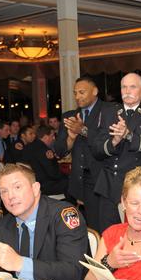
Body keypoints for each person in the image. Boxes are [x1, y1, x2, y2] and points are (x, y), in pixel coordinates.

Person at [0, 163, 88, 280]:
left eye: (17, 187)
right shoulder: (0, 227)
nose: (10, 196)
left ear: (35, 189)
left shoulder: (62, 215)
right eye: (4, 191)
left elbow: (72, 272)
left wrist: (21, 264)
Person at [92, 73, 141, 232]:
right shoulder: (109, 112)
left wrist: (128, 135)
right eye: (124, 87)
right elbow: (97, 149)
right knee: (109, 235)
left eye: (132, 87)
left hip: (139, 187)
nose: (127, 91)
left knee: (138, 235)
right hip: (110, 185)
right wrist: (114, 141)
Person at [54, 77, 111, 232]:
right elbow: (59, 151)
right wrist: (71, 138)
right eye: (75, 93)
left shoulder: (108, 111)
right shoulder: (69, 116)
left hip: (103, 179)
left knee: (104, 227)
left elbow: (107, 142)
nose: (77, 96)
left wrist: (83, 130)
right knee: (82, 229)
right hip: (79, 180)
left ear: (94, 91)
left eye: (82, 92)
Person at [23, 125, 67, 196]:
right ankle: (69, 206)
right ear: (46, 137)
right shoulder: (44, 150)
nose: (54, 138)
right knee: (71, 182)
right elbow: (53, 174)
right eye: (52, 136)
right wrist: (66, 175)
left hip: (33, 183)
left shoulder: (28, 146)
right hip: (44, 186)